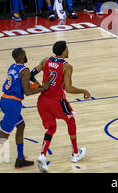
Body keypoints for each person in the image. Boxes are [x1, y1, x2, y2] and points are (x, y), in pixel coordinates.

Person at [30, 40, 91, 172]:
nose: (68, 51)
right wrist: (83, 90)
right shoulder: (66, 66)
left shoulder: (45, 60)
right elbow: (68, 89)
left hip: (42, 101)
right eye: (67, 49)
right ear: (63, 51)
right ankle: (75, 153)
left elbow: (30, 75)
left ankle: (42, 155)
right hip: (57, 101)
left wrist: (39, 86)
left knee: (51, 128)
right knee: (71, 121)